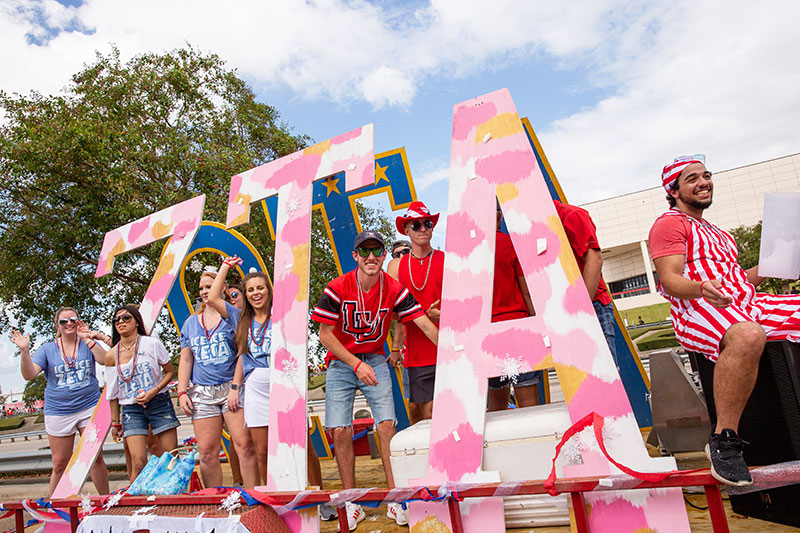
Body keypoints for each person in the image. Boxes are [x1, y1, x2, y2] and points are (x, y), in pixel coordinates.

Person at [649, 154, 800, 486]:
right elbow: (670, 279)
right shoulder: (669, 224)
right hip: (699, 309)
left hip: (744, 304)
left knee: (759, 323)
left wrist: (785, 259)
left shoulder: (718, 232)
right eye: (692, 179)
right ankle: (723, 441)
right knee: (748, 335)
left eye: (706, 175)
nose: (704, 182)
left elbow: (737, 281)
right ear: (673, 191)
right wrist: (701, 287)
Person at [312, 230, 440, 530]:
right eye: (365, 251)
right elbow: (325, 336)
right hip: (343, 361)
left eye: (377, 251)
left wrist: (453, 352)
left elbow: (422, 323)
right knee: (340, 430)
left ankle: (396, 498)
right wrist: (356, 365)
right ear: (355, 256)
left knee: (386, 424)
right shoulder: (337, 287)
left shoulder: (393, 288)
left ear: (384, 255)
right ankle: (350, 501)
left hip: (374, 357)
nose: (371, 257)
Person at [10, 307, 110, 496]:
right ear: (58, 326)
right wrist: (25, 351)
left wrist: (88, 339)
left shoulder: (86, 344)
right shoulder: (48, 349)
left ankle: (105, 502)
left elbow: (105, 360)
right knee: (59, 462)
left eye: (73, 319)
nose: (69, 323)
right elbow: (29, 374)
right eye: (64, 321)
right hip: (59, 410)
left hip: (89, 406)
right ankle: (56, 509)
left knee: (95, 457)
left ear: (78, 322)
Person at [176, 270, 259, 488]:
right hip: (203, 392)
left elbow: (243, 352)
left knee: (244, 444)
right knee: (206, 452)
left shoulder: (232, 316)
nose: (205, 291)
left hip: (231, 388)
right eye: (201, 288)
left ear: (221, 287)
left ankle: (253, 498)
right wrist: (182, 391)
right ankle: (214, 501)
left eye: (209, 286)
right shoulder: (190, 324)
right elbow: (186, 360)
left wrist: (235, 385)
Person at [207, 258, 272, 485]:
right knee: (262, 452)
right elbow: (214, 298)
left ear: (268, 290)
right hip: (256, 390)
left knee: (299, 446)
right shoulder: (240, 318)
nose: (255, 293)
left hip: (283, 386)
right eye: (250, 290)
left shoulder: (281, 314)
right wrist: (224, 266)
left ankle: (317, 499)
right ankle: (271, 499)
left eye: (260, 288)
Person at [105, 304, 180, 481]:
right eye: (116, 320)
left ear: (137, 322)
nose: (120, 322)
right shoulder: (111, 355)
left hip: (159, 402)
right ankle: (137, 504)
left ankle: (174, 499)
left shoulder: (152, 344)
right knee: (138, 462)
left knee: (171, 457)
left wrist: (154, 391)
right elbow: (113, 393)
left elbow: (169, 372)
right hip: (131, 408)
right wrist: (115, 423)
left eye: (126, 318)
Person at [386, 202, 443, 424]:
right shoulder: (395, 267)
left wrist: (443, 314)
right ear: (406, 230)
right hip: (418, 353)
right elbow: (391, 312)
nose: (422, 229)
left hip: (447, 347)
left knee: (445, 411)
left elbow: (462, 306)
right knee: (423, 414)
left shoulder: (447, 260)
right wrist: (396, 348)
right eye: (416, 225)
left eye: (427, 224)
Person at [487, 202, 538, 411]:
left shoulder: (472, 251)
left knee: (497, 406)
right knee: (528, 403)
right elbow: (526, 290)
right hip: (518, 328)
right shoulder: (511, 244)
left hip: (490, 333)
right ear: (499, 216)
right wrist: (537, 320)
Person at [552, 199, 617, 362]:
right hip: (562, 310)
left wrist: (582, 308)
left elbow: (595, 259)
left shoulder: (571, 215)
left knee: (604, 375)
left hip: (591, 304)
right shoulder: (533, 224)